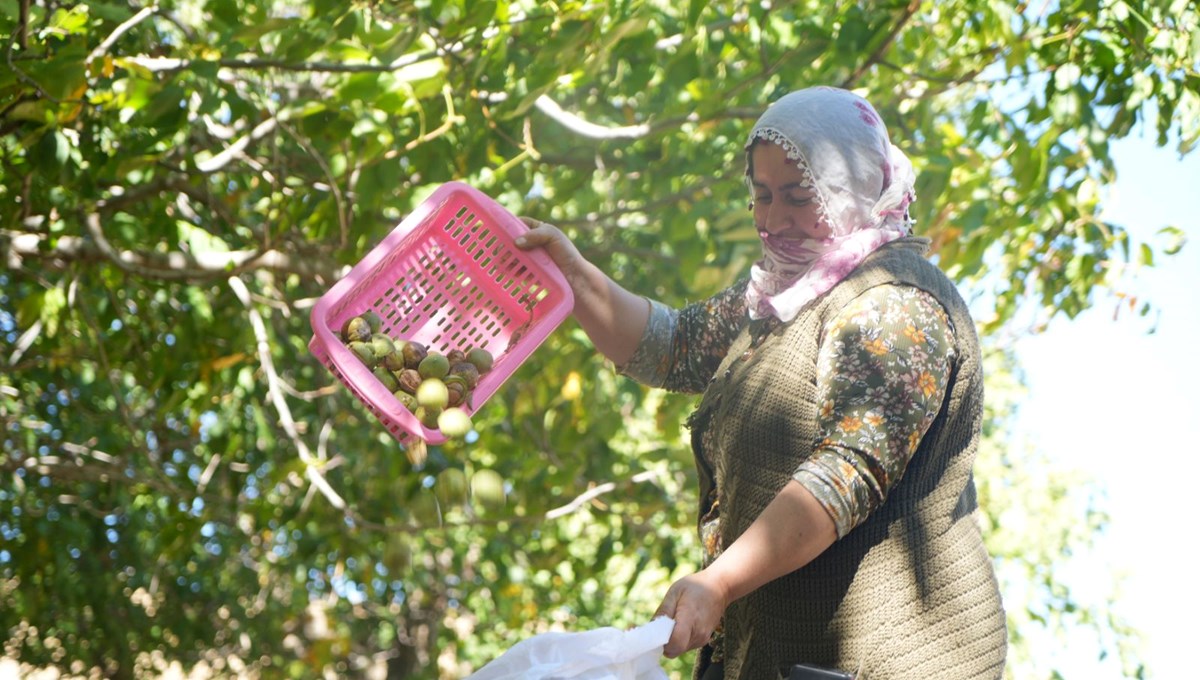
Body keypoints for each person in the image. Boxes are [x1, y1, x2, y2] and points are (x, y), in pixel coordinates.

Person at [515, 86, 1007, 679]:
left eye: (799, 197)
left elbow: (847, 472)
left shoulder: (895, 304)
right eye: (762, 197)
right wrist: (570, 275)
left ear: (851, 190)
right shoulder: (781, 297)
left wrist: (718, 584)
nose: (774, 220)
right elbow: (669, 345)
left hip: (890, 660)